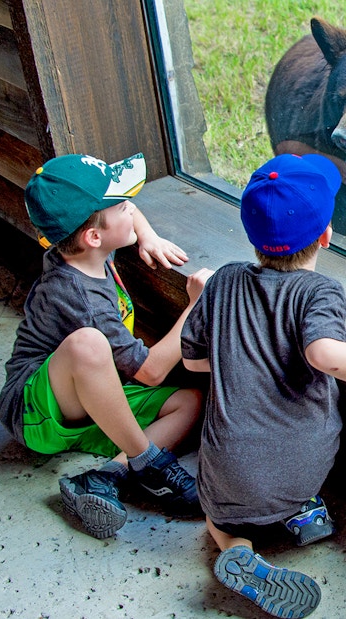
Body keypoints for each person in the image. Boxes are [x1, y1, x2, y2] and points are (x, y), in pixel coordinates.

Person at [0, 151, 213, 539]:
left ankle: (101, 479)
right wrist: (196, 307)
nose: (133, 208)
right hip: (36, 409)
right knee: (88, 344)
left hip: (95, 400)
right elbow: (149, 371)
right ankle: (147, 462)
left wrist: (146, 235)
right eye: (124, 205)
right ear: (94, 236)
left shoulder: (84, 248)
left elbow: (121, 217)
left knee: (191, 402)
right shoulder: (76, 292)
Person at [181, 153, 346, 618]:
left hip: (230, 472)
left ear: (251, 236)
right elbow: (323, 354)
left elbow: (193, 362)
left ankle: (236, 548)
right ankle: (301, 508)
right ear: (325, 237)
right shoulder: (321, 292)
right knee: (309, 434)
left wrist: (201, 301)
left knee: (213, 510)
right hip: (307, 467)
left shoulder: (226, 280)